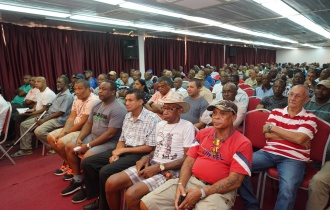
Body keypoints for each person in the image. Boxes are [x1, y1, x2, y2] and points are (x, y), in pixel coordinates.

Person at [140, 100, 253, 210]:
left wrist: (202, 192)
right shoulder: (203, 133)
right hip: (191, 181)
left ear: (233, 118)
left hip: (218, 191)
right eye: (214, 113)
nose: (216, 117)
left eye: (222, 114)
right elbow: (189, 161)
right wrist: (181, 184)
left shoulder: (243, 143)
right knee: (148, 203)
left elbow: (235, 180)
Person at [105, 92, 195, 210]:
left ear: (180, 110)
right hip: (153, 163)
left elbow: (187, 158)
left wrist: (160, 167)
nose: (165, 111)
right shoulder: (160, 124)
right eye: (164, 108)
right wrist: (146, 157)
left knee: (132, 194)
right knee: (111, 183)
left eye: (170, 108)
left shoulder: (187, 126)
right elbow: (157, 148)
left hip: (170, 171)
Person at [75, 89, 161, 209]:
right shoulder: (128, 116)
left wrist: (122, 151)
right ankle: (97, 195)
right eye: (126, 100)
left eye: (130, 100)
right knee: (88, 162)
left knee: (105, 171)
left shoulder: (152, 119)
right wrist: (116, 153)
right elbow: (122, 139)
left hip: (139, 154)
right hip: (124, 150)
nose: (127, 103)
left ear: (140, 101)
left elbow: (150, 147)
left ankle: (103, 206)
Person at [238, 85, 318, 210]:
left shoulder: (310, 118)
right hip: (269, 152)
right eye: (291, 94)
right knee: (239, 165)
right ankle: (252, 206)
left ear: (306, 99)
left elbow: (299, 138)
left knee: (288, 188)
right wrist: (293, 136)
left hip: (294, 158)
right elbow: (267, 133)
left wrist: (274, 129)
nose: (292, 98)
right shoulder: (276, 112)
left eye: (298, 96)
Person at [60, 80, 127, 197]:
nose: (100, 91)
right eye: (99, 88)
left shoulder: (118, 109)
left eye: (104, 89)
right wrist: (80, 138)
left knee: (87, 157)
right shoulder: (97, 105)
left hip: (110, 142)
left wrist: (89, 146)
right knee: (70, 147)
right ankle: (77, 179)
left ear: (113, 92)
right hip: (93, 136)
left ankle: (89, 186)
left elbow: (111, 134)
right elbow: (88, 124)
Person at [47, 79, 99, 177]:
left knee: (61, 142)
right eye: (75, 89)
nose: (77, 91)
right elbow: (71, 118)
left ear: (88, 89)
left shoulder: (93, 100)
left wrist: (66, 133)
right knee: (50, 137)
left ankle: (74, 166)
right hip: (75, 127)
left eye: (80, 89)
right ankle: (69, 164)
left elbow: (83, 122)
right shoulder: (76, 98)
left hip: (84, 130)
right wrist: (63, 132)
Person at [11, 77, 73, 157]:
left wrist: (44, 119)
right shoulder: (58, 94)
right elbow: (48, 108)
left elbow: (60, 112)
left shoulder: (67, 96)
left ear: (66, 84)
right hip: (48, 116)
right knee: (24, 124)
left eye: (60, 82)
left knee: (39, 131)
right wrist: (41, 116)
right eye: (57, 82)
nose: (57, 84)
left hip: (58, 119)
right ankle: (26, 149)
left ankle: (55, 146)